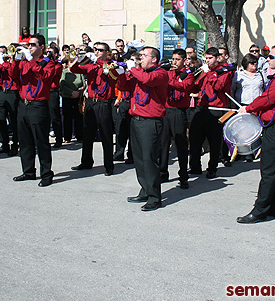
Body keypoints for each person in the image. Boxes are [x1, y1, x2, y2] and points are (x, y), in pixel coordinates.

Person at [237, 43, 275, 223]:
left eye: (271, 57)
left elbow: (267, 99)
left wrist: (248, 107)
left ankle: (260, 210)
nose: (267, 59)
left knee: (269, 171)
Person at [115, 46, 168, 211]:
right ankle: (145, 190)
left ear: (154, 59)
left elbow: (148, 81)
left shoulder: (160, 73)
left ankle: (154, 197)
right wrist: (122, 73)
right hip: (136, 119)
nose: (140, 58)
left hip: (150, 122)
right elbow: (125, 87)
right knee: (138, 159)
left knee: (149, 159)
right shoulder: (138, 73)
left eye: (144, 55)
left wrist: (133, 68)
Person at [13, 35, 56, 186]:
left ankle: (46, 174)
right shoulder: (25, 62)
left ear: (42, 47)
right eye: (28, 45)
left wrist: (31, 60)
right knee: (25, 141)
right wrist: (15, 60)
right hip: (24, 104)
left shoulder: (48, 63)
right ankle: (28, 171)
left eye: (33, 45)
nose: (29, 47)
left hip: (38, 105)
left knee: (41, 141)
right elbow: (13, 76)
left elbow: (44, 77)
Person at [70, 41, 117, 175]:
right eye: (95, 49)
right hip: (91, 101)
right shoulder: (91, 65)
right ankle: (86, 161)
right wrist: (79, 59)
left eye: (100, 50)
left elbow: (113, 73)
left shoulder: (111, 65)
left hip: (104, 103)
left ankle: (109, 165)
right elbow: (74, 69)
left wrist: (98, 61)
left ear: (107, 53)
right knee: (87, 134)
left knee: (106, 135)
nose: (97, 52)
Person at [188, 47, 234, 179]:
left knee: (214, 141)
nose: (207, 61)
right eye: (206, 58)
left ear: (217, 58)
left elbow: (219, 86)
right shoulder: (204, 71)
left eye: (210, 58)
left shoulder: (224, 71)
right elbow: (197, 85)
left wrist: (209, 74)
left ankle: (212, 168)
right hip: (201, 107)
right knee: (195, 138)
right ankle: (195, 167)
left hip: (216, 109)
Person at [159, 49, 195, 188]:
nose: (174, 62)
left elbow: (184, 86)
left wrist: (170, 80)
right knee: (163, 144)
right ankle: (162, 172)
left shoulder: (189, 74)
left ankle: (183, 175)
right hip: (166, 110)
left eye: (177, 59)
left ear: (184, 60)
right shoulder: (168, 72)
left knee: (181, 144)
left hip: (179, 111)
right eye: (173, 59)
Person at [60, 58, 85, 143]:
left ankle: (80, 136)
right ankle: (67, 137)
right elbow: (62, 84)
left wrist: (78, 92)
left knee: (78, 117)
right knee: (67, 117)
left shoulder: (79, 71)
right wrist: (71, 92)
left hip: (78, 97)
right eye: (70, 62)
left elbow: (84, 84)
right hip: (67, 97)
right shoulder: (65, 72)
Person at [48, 46, 63, 148]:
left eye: (51, 53)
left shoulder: (58, 65)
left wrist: (49, 60)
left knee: (55, 116)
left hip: (53, 92)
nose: (48, 54)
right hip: (44, 91)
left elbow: (52, 74)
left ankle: (58, 139)